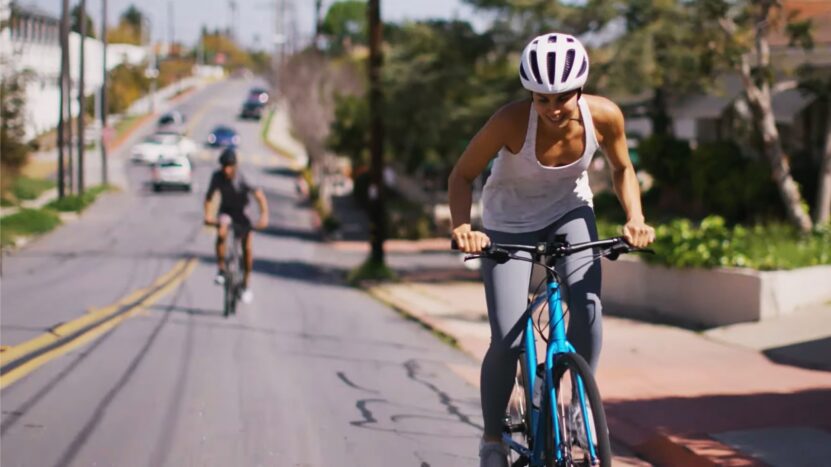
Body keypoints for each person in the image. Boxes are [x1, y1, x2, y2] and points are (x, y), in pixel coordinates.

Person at [447, 32, 656, 466]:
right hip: (509, 223)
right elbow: (462, 175)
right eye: (541, 99)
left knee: (589, 310)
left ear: (580, 89)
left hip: (570, 211)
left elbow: (622, 168)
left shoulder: (604, 117)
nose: (553, 108)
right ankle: (492, 440)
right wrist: (463, 226)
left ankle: (577, 403)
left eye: (562, 97)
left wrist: (635, 217)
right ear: (530, 95)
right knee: (506, 337)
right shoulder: (509, 122)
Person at [203, 147, 269, 304]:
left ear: (235, 166)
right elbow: (208, 197)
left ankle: (245, 284)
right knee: (221, 232)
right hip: (226, 211)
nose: (226, 170)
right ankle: (221, 269)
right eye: (224, 166)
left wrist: (264, 215)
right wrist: (208, 216)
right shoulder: (217, 177)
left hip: (243, 213)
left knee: (247, 248)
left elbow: (259, 196)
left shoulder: (243, 177)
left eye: (229, 166)